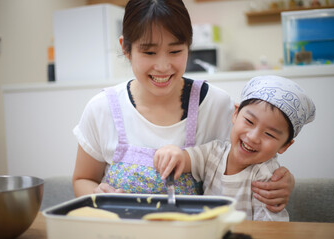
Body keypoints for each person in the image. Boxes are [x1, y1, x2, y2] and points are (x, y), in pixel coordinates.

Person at [72, 0, 294, 212]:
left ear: (188, 46)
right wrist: (98, 196)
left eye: (175, 51)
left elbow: (253, 165)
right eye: (149, 52)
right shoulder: (102, 108)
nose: (162, 66)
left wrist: (283, 182)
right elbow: (83, 179)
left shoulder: (217, 105)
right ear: (126, 48)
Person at [154, 75, 316, 221]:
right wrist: (172, 152)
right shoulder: (214, 152)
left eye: (269, 134)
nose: (253, 137)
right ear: (236, 114)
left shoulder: (266, 176)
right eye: (249, 122)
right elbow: (186, 159)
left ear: (285, 146)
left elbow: (271, 226)